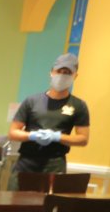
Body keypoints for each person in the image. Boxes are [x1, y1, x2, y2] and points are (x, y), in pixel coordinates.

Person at [7, 53, 90, 188]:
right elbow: (13, 132)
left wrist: (57, 137)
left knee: (47, 205)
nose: (62, 75)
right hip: (27, 162)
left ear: (75, 76)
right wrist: (32, 135)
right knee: (16, 204)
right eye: (59, 71)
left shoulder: (78, 105)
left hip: (55, 163)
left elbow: (83, 139)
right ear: (52, 72)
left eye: (68, 72)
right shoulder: (32, 101)